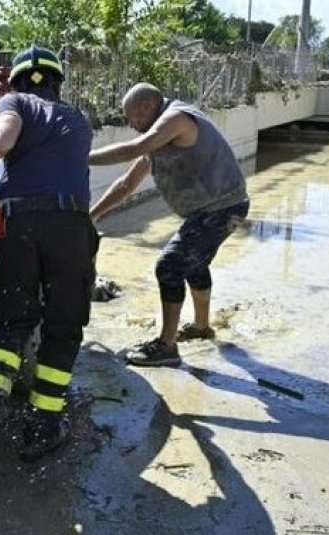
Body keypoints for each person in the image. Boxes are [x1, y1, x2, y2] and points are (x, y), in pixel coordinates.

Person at [0, 45, 96, 462]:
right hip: (69, 226)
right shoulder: (79, 120)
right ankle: (42, 425)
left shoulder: (15, 101)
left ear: (19, 82)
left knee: (13, 321)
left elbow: (1, 139)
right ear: (58, 83)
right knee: (63, 325)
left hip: (18, 224)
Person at [89, 82, 249, 367]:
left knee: (170, 264)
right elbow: (127, 184)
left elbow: (134, 147)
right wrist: (92, 215)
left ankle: (166, 346)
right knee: (194, 263)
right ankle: (202, 328)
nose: (130, 123)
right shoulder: (159, 139)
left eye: (132, 117)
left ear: (147, 107)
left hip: (224, 207)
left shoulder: (175, 119)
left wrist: (81, 158)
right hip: (211, 210)